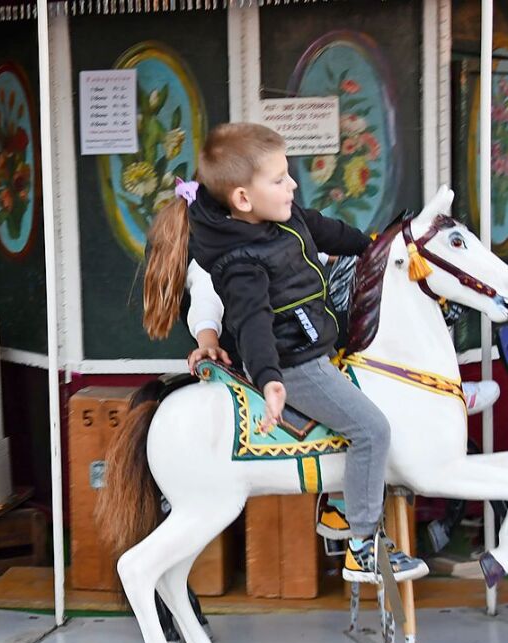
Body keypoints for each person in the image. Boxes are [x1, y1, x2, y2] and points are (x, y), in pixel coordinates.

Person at [144, 122, 427, 583]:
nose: (292, 184)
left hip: (315, 343)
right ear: (242, 199)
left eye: (288, 174)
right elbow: (253, 323)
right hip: (295, 364)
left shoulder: (285, 220)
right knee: (372, 429)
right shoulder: (240, 263)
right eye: (279, 179)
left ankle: (338, 508)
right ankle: (363, 546)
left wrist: (373, 248)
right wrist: (271, 379)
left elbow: (325, 229)